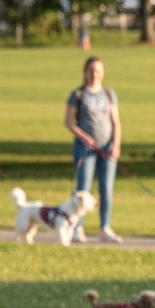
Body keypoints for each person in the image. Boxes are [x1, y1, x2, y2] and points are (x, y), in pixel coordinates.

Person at [65, 56, 123, 243]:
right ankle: (76, 227)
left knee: (106, 188)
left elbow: (116, 122)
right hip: (85, 148)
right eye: (91, 70)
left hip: (107, 149)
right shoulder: (78, 94)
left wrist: (116, 144)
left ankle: (105, 227)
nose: (94, 74)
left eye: (98, 70)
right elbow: (68, 122)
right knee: (83, 189)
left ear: (103, 72)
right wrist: (82, 135)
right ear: (85, 72)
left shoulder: (108, 94)